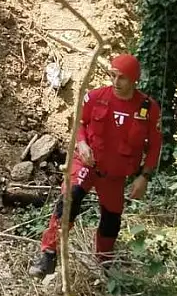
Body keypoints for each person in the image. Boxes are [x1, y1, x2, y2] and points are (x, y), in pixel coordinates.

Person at [28, 53, 163, 278]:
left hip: (115, 175)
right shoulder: (95, 97)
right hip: (87, 164)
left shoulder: (148, 109)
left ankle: (104, 264)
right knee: (68, 200)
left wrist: (144, 177)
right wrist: (81, 143)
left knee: (111, 220)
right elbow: (80, 123)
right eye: (113, 75)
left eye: (122, 78)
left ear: (134, 80)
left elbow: (155, 145)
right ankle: (48, 255)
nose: (116, 82)